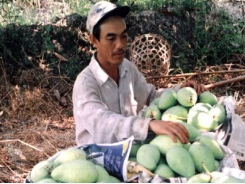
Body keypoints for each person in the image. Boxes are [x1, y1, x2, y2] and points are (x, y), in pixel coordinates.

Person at [72, 1, 206, 146]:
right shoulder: (85, 83)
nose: (120, 45)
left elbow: (150, 97)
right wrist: (148, 125)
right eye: (111, 38)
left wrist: (179, 91)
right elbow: (102, 124)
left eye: (123, 36)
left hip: (132, 152)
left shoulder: (127, 68)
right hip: (98, 159)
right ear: (93, 40)